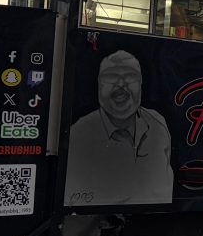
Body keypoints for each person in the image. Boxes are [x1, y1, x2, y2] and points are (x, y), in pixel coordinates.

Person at [65, 50, 174, 205]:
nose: (121, 84)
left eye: (130, 77)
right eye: (111, 77)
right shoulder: (79, 135)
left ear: (141, 84)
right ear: (99, 85)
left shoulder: (158, 125)